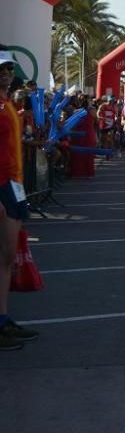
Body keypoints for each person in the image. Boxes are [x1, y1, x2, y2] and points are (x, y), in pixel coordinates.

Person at [0, 50, 41, 350]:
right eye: (2, 68)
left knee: (6, 258)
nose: (6, 72)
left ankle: (3, 320)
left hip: (14, 186)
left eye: (9, 68)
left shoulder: (8, 104)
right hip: (1, 188)